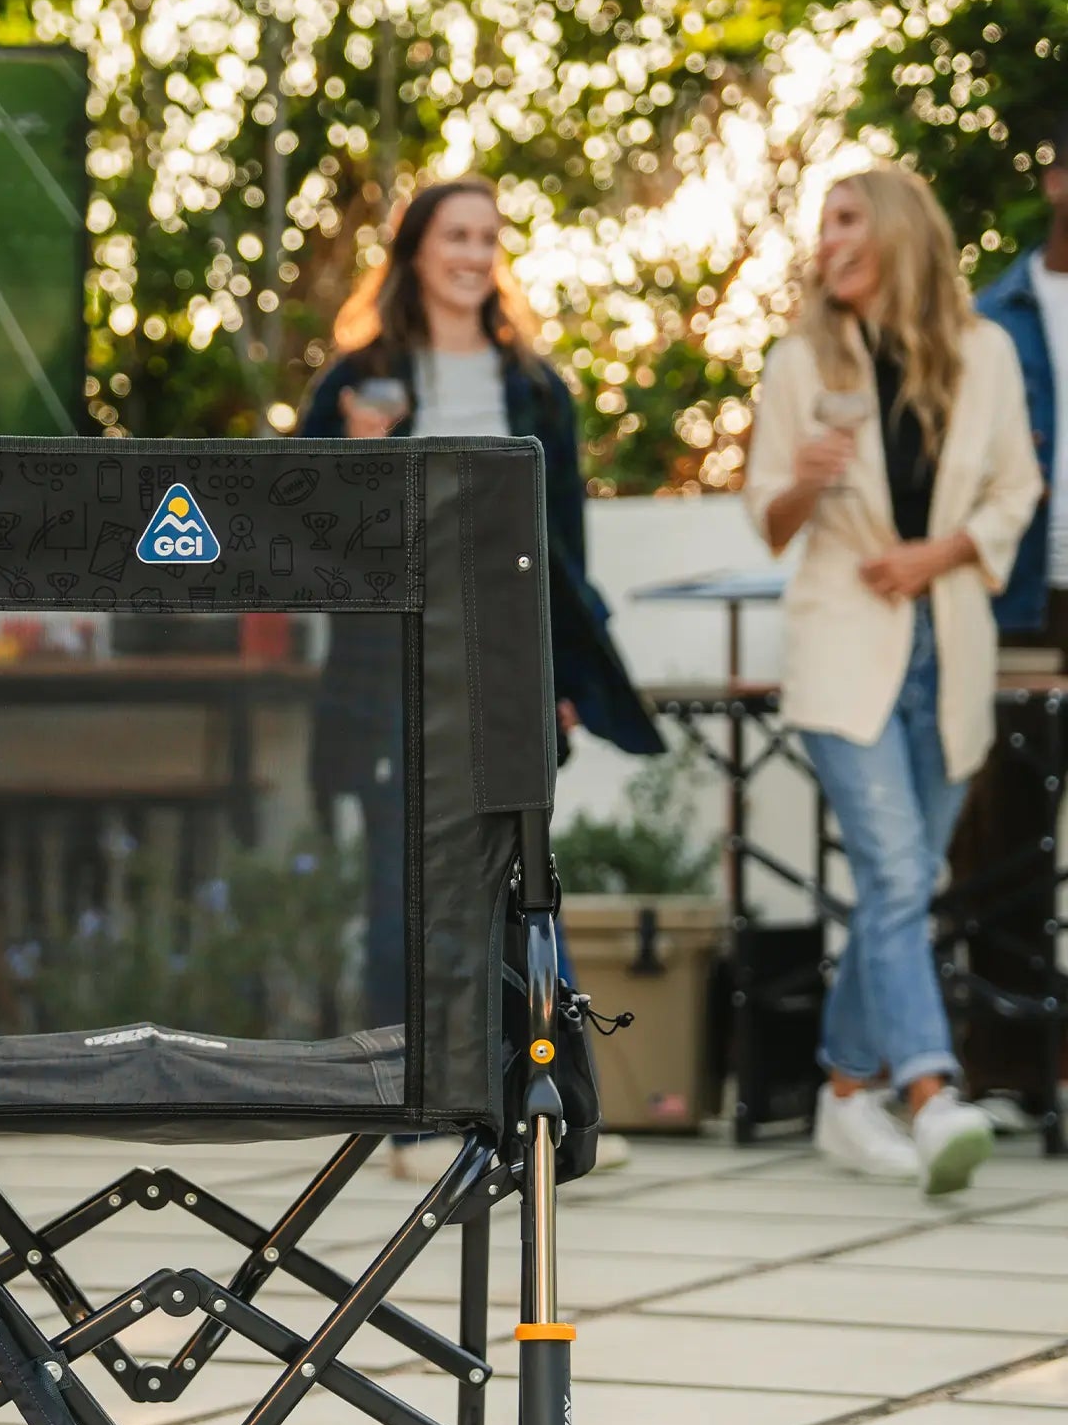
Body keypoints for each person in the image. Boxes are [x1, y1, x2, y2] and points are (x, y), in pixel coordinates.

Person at [299, 176, 661, 1178]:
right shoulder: (357, 380)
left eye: (486, 237)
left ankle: (555, 1116)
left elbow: (563, 551)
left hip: (502, 661)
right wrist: (355, 457)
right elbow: (299, 529)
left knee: (522, 885)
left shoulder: (535, 387)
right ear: (415, 249)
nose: (472, 253)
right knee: (397, 885)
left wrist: (562, 675)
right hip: (388, 663)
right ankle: (412, 1124)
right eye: (455, 234)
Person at [745, 166, 1040, 1192]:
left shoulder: (984, 352)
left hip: (948, 643)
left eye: (844, 218)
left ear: (897, 230)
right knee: (896, 870)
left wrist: (937, 554)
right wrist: (803, 481)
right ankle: (927, 1090)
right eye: (821, 224)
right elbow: (768, 519)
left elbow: (1018, 488)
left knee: (902, 882)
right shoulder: (799, 361)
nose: (825, 238)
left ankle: (841, 1095)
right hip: (841, 643)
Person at [945, 111, 1068, 1099]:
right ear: (1057, 180)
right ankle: (1007, 1064)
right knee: (1001, 833)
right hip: (1020, 597)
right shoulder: (992, 318)